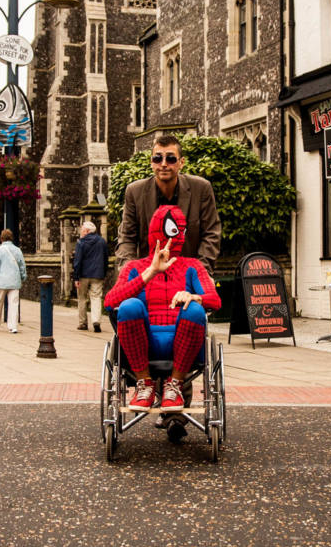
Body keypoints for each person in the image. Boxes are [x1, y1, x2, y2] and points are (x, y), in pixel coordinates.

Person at [104, 205, 221, 424]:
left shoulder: (192, 266)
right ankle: (143, 383)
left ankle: (175, 383)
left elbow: (215, 300)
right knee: (129, 306)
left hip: (184, 343)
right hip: (142, 343)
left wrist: (195, 297)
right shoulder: (134, 267)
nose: (176, 237)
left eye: (180, 231)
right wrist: (149, 274)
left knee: (195, 309)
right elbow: (110, 302)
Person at [116, 134, 222, 275]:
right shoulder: (134, 192)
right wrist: (130, 273)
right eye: (158, 158)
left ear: (181, 162)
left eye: (171, 159)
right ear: (151, 162)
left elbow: (211, 234)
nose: (164, 164)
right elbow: (126, 238)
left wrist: (199, 273)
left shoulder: (201, 188)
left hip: (188, 276)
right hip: (149, 277)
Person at [0, 229, 27, 333]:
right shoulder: (18, 250)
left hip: (1, 281)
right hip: (14, 281)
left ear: (1, 238)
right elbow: (22, 266)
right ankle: (13, 326)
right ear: (12, 238)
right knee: (14, 303)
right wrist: (23, 277)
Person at [73, 220, 109, 332]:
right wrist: (104, 273)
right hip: (97, 275)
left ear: (87, 231)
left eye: (83, 229)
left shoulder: (81, 242)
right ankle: (96, 321)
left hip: (83, 275)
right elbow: (105, 259)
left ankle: (83, 323)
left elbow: (77, 261)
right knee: (96, 297)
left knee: (82, 298)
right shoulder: (102, 242)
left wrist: (76, 277)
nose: (81, 231)